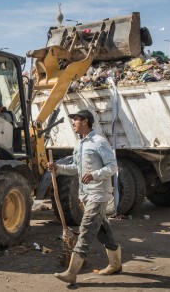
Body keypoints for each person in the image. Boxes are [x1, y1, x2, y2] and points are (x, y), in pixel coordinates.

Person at [47, 109, 121, 284]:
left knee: (86, 231)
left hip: (98, 194)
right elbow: (76, 168)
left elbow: (113, 166)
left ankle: (72, 272)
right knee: (103, 232)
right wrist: (58, 168)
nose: (73, 123)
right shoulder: (80, 144)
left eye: (76, 119)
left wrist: (94, 174)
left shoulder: (99, 142)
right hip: (86, 196)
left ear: (85, 121)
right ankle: (115, 264)